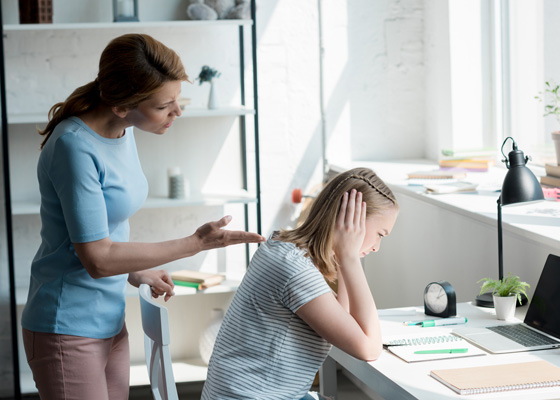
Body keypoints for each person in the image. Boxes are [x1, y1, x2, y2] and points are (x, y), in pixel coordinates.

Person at [20, 33, 265, 400]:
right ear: (122, 104)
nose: (177, 112)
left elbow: (100, 233)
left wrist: (134, 270)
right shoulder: (74, 147)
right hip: (67, 324)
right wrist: (194, 244)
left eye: (177, 101)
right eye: (165, 105)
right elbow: (98, 259)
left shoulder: (122, 129)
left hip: (109, 318)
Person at [201, 167, 399, 400]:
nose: (376, 246)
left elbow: (343, 320)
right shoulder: (295, 271)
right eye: (380, 234)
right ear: (350, 221)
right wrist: (350, 257)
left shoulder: (283, 248)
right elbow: (369, 348)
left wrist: (345, 258)